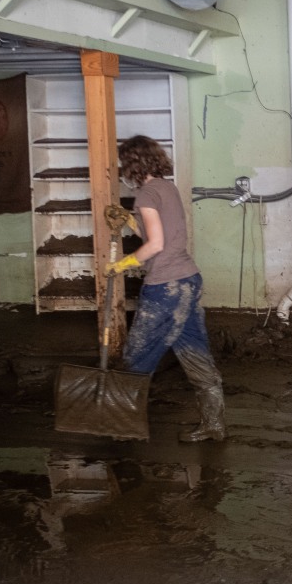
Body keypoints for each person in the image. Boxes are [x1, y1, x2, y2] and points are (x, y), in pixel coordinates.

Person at [103, 134, 225, 443]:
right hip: (188, 280)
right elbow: (164, 232)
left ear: (132, 164)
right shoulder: (166, 188)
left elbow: (156, 244)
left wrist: (123, 265)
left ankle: (121, 428)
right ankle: (214, 425)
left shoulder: (145, 194)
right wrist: (131, 222)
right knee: (194, 352)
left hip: (166, 288)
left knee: (137, 356)